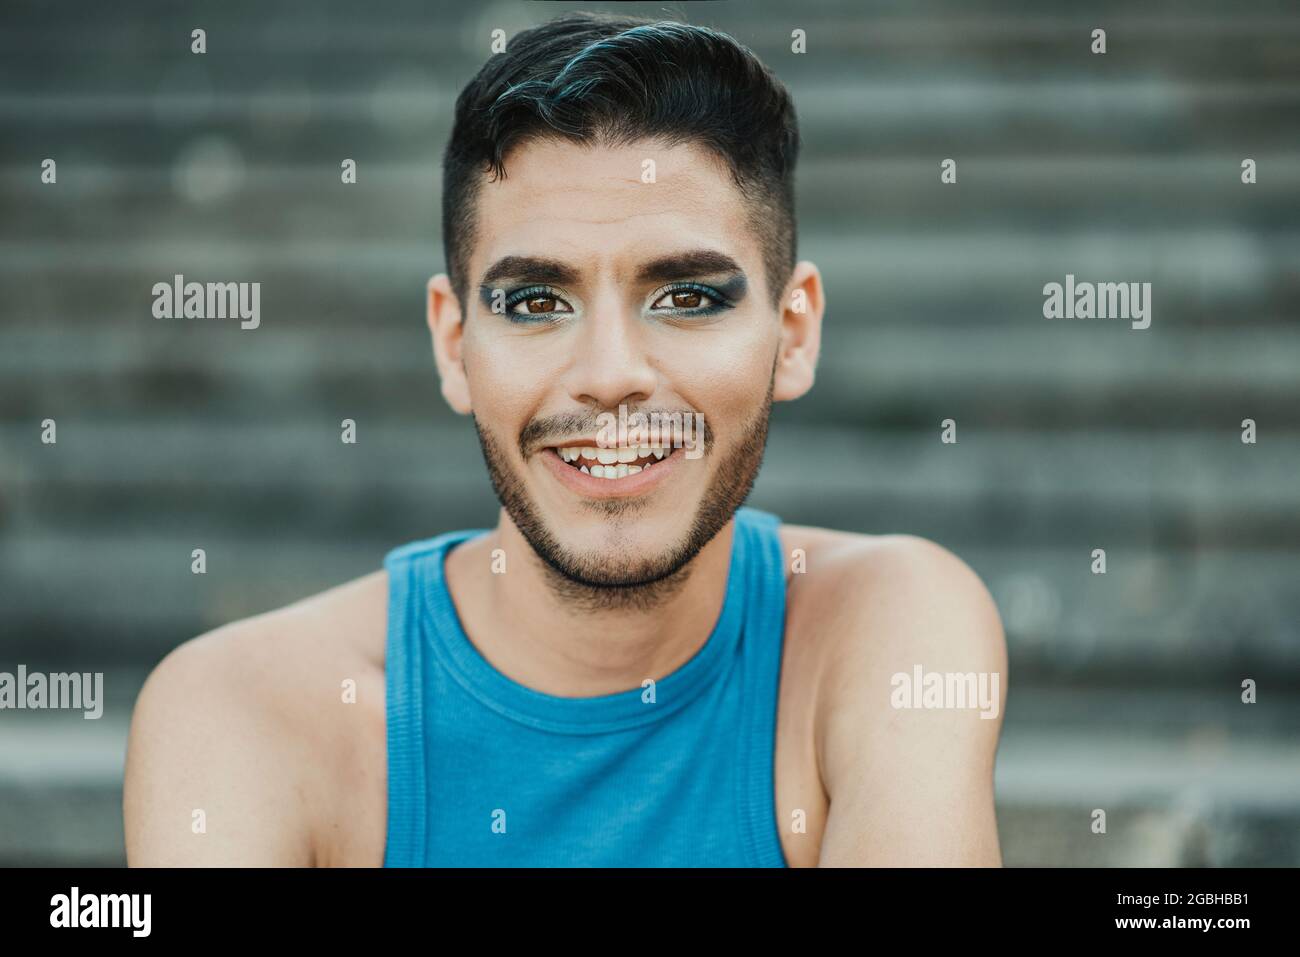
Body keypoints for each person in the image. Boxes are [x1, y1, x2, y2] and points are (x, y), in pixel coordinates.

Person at [124, 12, 1006, 867]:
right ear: (453, 342)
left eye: (688, 296)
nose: (611, 373)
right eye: (536, 302)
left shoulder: (891, 621)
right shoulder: (239, 709)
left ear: (796, 331)